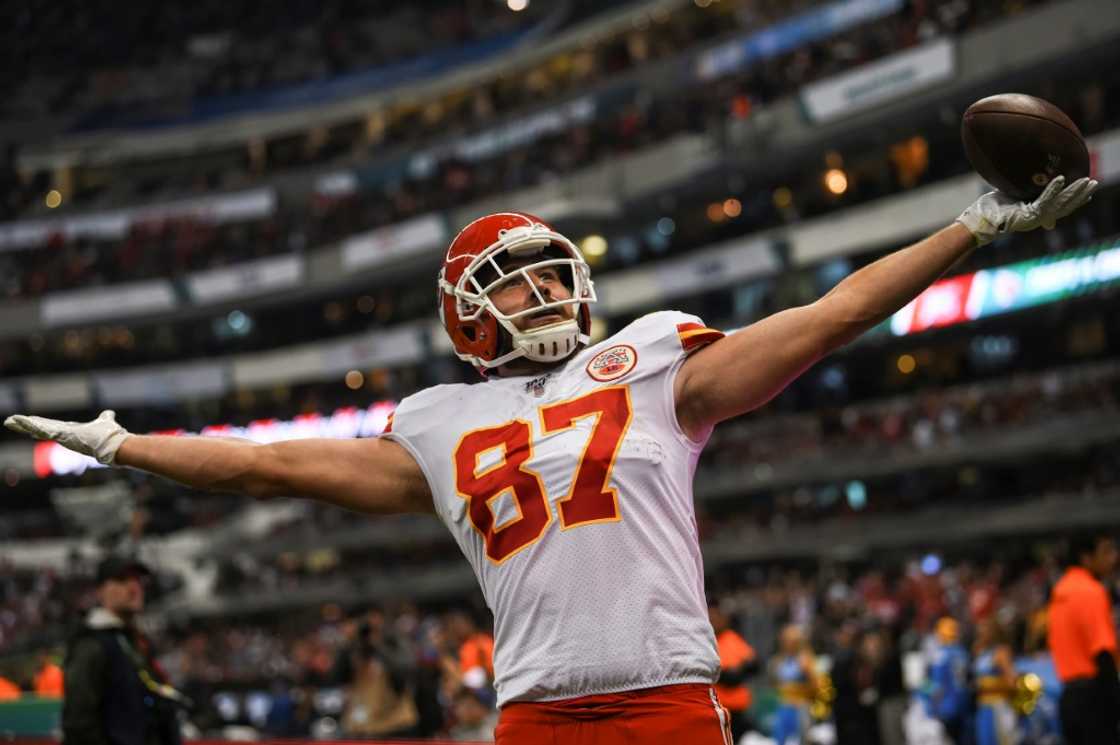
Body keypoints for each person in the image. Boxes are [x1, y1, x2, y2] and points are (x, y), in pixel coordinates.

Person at [6, 176, 1097, 745]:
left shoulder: (651, 357)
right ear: (470, 318)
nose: (546, 293)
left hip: (665, 699)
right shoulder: (433, 422)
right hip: (534, 712)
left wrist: (970, 228)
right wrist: (124, 445)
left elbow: (824, 317)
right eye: (517, 283)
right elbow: (268, 468)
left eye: (547, 273)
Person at [61, 555, 185, 745]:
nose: (133, 587)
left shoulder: (135, 641)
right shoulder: (92, 644)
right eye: (122, 580)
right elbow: (78, 723)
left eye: (137, 580)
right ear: (100, 591)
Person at [1047, 531, 1120, 745]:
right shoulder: (1091, 591)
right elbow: (1102, 651)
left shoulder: (1059, 592)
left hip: (1069, 699)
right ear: (1086, 558)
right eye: (1106, 551)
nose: (1113, 557)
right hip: (1095, 698)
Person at [709, 601, 757, 741]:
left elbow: (754, 664)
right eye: (711, 616)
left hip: (739, 710)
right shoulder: (707, 642)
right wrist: (729, 674)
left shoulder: (732, 638)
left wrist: (736, 672)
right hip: (717, 711)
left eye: (717, 615)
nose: (715, 619)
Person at [771, 624, 820, 745]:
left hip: (800, 707)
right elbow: (777, 684)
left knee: (801, 740)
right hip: (783, 706)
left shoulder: (805, 659)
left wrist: (806, 673)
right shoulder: (780, 660)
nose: (788, 644)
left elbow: (816, 686)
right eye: (785, 640)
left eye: (792, 640)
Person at [971, 617, 1017, 745]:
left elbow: (1012, 682)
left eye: (985, 629)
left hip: (998, 705)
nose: (981, 633)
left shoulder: (1001, 652)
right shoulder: (978, 650)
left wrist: (989, 685)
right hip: (983, 706)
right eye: (979, 629)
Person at [925, 617, 969, 744]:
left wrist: (922, 688)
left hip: (947, 707)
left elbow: (936, 686)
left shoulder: (941, 655)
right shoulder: (963, 652)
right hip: (963, 705)